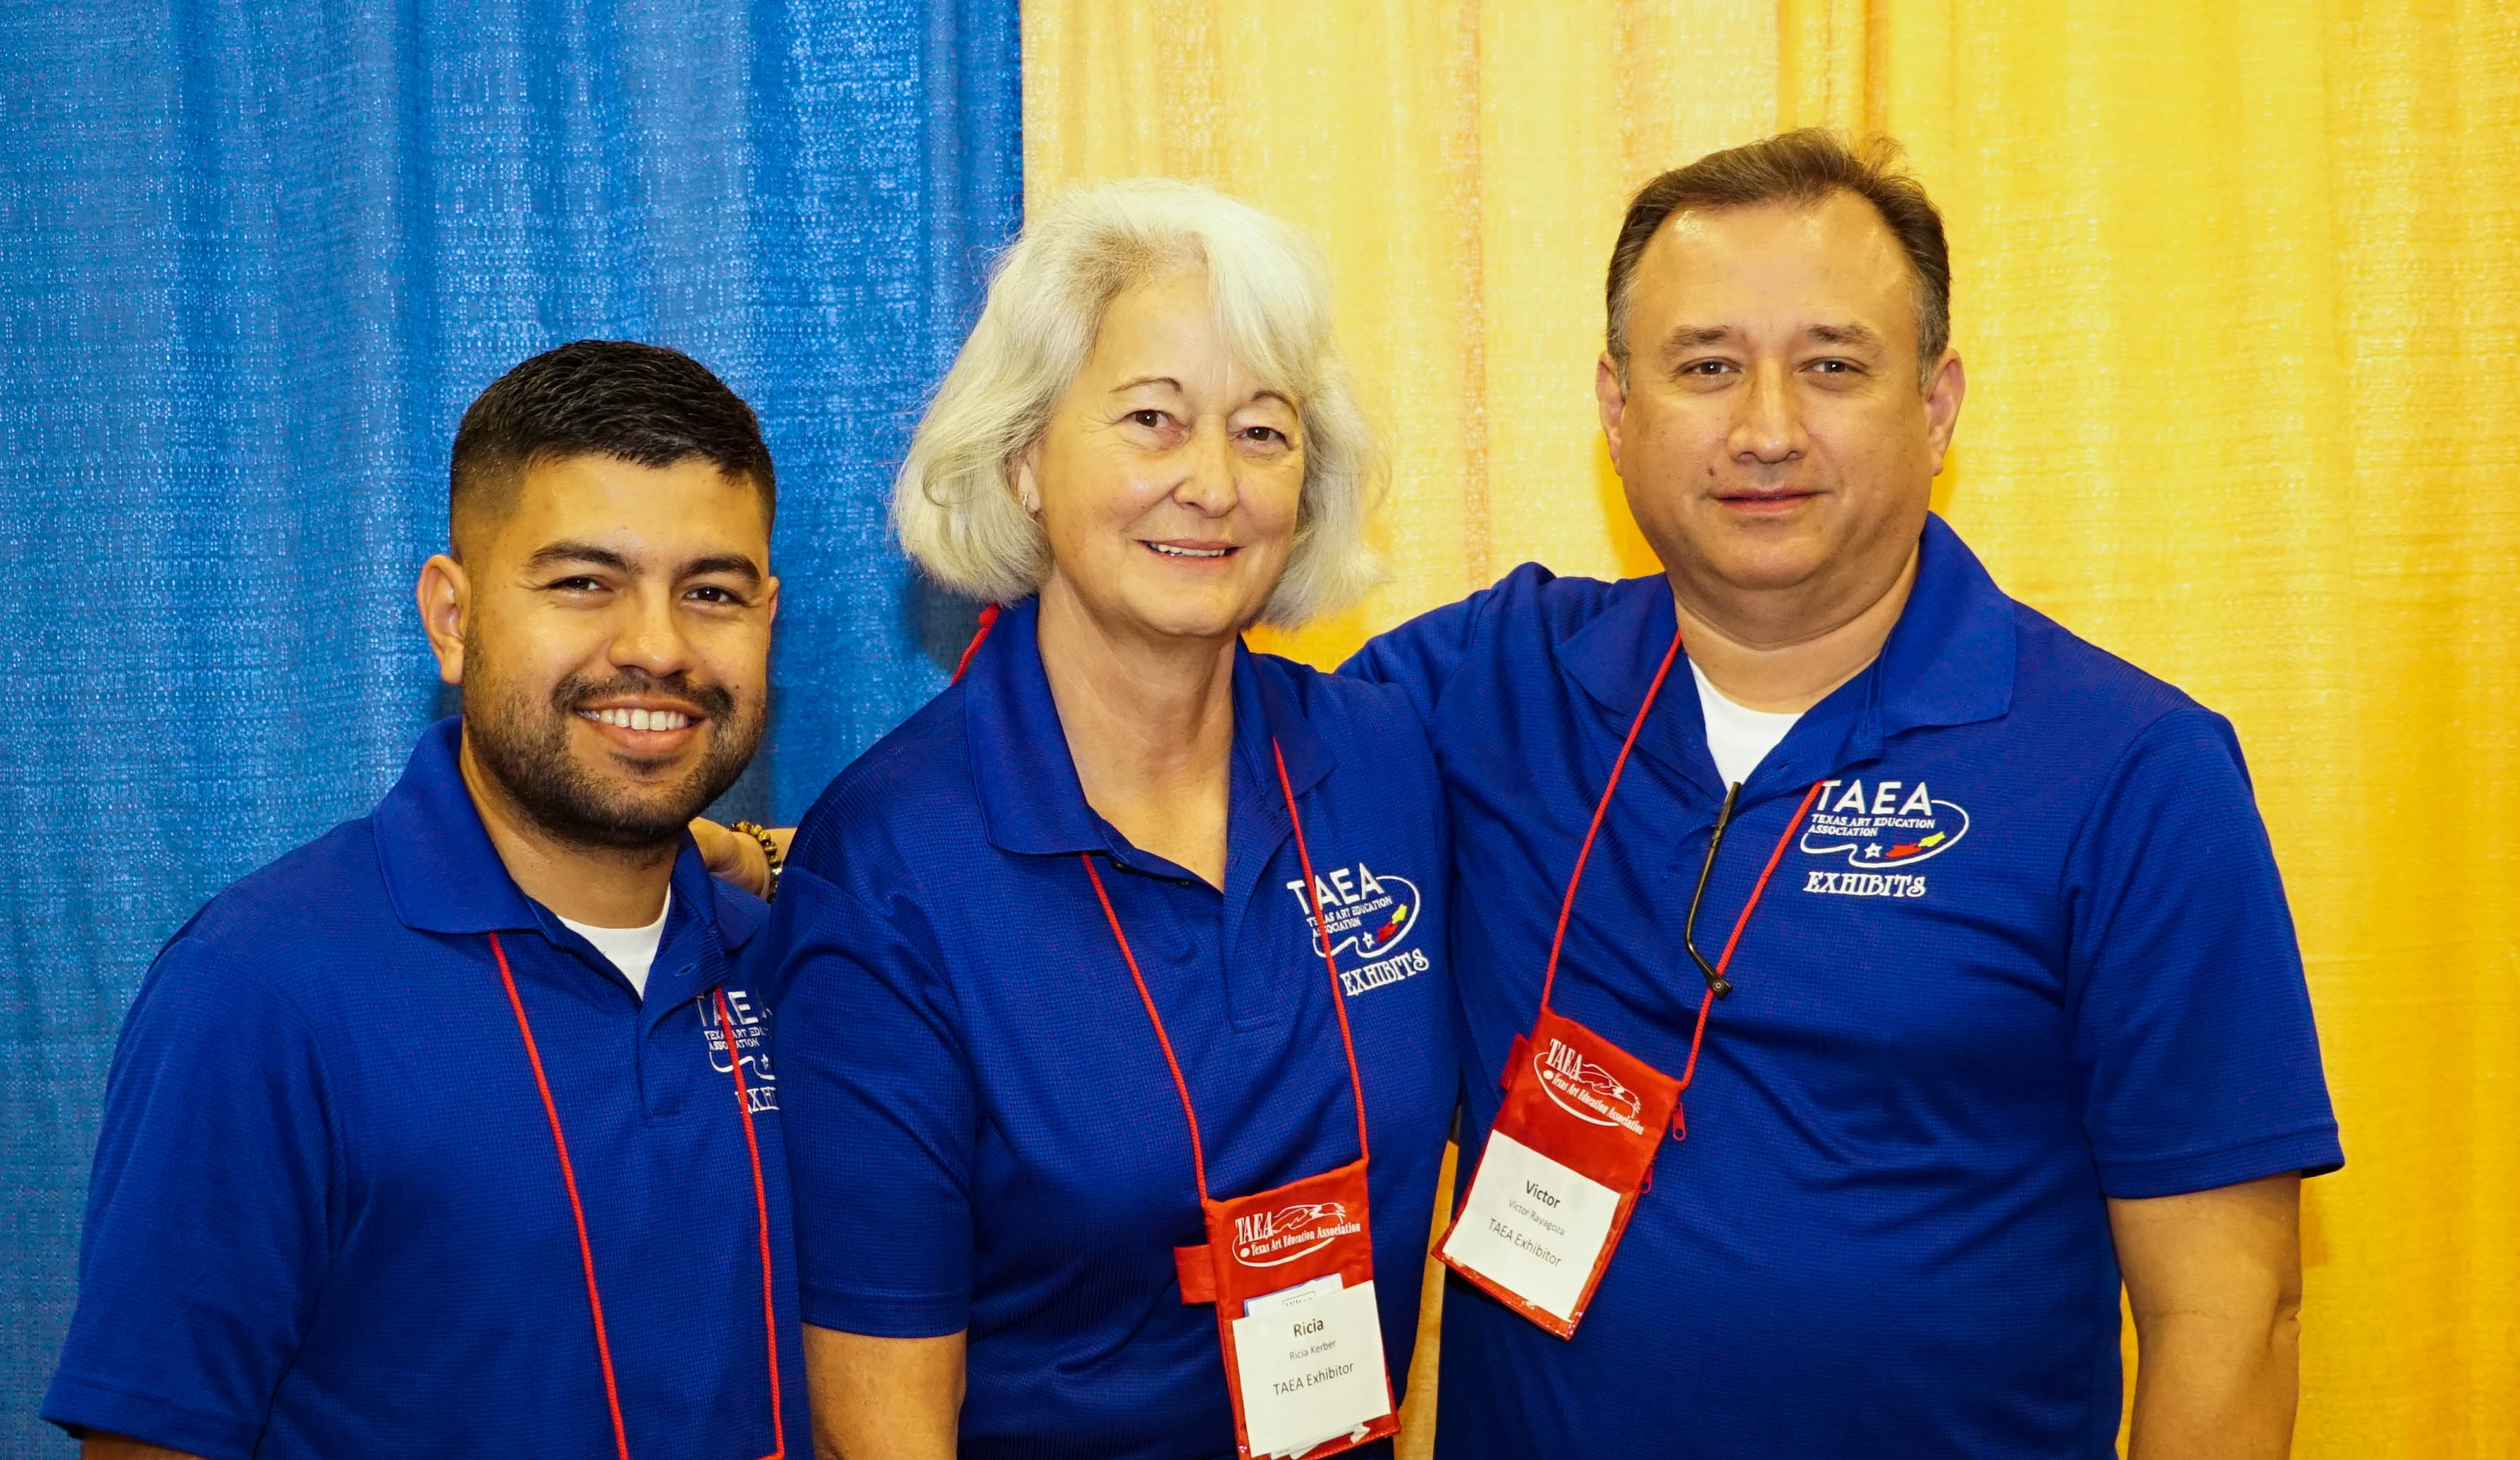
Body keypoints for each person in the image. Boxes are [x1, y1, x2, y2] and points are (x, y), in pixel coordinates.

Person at [1343, 131, 2342, 1456]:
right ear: (1616, 409)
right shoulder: (1481, 689)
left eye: (1832, 366)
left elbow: (2232, 1322)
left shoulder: (2133, 771)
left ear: (1937, 406)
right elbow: (1187, 744)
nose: (1766, 431)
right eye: (1706, 367)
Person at [765, 180, 1457, 1460]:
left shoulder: (1387, 766)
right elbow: (881, 1423)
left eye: (1263, 431)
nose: (1213, 484)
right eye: (1153, 419)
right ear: (1023, 458)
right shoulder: (892, 867)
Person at [44, 341, 811, 1459]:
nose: (657, 648)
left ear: (767, 621)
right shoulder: (260, 991)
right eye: (584, 582)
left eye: (712, 593)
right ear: (453, 617)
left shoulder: (793, 967)